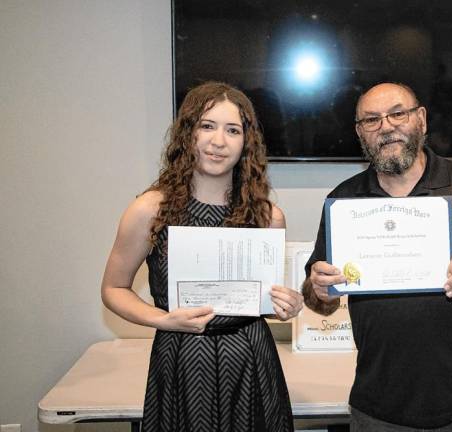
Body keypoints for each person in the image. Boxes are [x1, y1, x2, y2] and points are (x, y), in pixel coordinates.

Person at [302, 83, 452, 431]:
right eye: (371, 119)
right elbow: (319, 300)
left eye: (398, 113)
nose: (387, 126)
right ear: (359, 132)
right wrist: (319, 289)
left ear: (421, 119)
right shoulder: (343, 201)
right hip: (378, 410)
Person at [101, 81, 302, 432]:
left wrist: (288, 304)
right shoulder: (150, 209)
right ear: (187, 134)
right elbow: (114, 289)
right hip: (181, 359)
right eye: (207, 125)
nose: (218, 141)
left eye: (233, 130)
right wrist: (162, 321)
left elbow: (266, 302)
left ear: (247, 142)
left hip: (252, 361)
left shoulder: (268, 216)